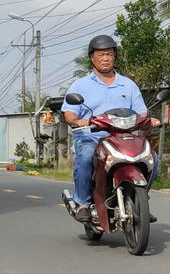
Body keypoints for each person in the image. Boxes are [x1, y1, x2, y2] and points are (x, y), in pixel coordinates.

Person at [61, 34, 158, 221]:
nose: (105, 58)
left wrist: (150, 120)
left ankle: (140, 200)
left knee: (153, 159)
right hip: (93, 136)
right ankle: (82, 202)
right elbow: (69, 114)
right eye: (101, 55)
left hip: (123, 136)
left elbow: (141, 112)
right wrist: (79, 121)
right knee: (86, 157)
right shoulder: (81, 85)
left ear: (115, 56)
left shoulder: (128, 85)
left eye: (109, 54)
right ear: (92, 58)